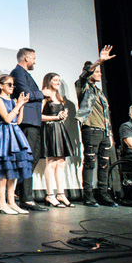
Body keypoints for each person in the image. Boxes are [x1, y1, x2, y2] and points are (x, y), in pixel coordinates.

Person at [0, 74, 33, 215]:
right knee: (3, 171)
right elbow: (6, 118)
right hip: (4, 135)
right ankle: (1, 202)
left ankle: (12, 202)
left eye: (13, 85)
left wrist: (21, 106)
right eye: (9, 84)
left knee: (14, 171)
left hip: (15, 135)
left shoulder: (13, 101)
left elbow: (18, 121)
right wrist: (17, 105)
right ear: (1, 85)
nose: (12, 87)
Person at [76, 45, 117, 207]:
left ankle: (103, 194)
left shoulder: (99, 92)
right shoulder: (84, 87)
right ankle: (88, 195)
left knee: (104, 164)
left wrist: (110, 133)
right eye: (97, 70)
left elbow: (106, 115)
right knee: (90, 163)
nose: (100, 73)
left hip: (105, 132)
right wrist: (98, 61)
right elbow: (84, 76)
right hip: (91, 130)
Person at [10, 48, 47, 212]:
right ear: (25, 58)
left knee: (34, 156)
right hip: (26, 121)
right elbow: (27, 95)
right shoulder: (17, 73)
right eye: (33, 58)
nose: (35, 61)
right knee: (27, 158)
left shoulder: (24, 73)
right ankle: (26, 198)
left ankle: (21, 192)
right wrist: (43, 93)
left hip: (34, 121)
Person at [41, 73, 75, 208]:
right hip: (49, 130)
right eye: (55, 80)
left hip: (59, 129)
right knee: (51, 163)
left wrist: (63, 116)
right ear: (48, 81)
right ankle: (50, 195)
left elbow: (59, 116)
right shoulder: (45, 96)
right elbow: (39, 116)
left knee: (61, 163)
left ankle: (60, 194)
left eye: (59, 80)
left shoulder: (59, 97)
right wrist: (56, 118)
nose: (58, 82)